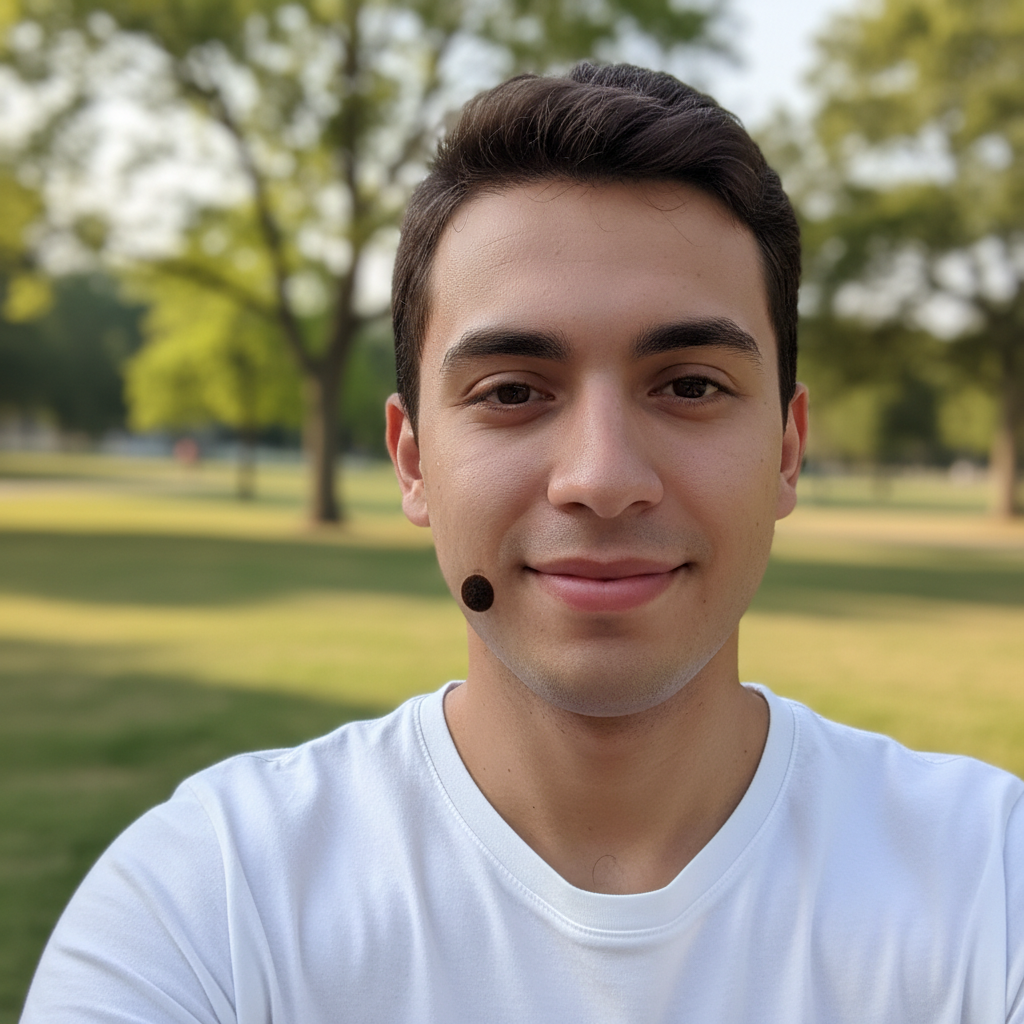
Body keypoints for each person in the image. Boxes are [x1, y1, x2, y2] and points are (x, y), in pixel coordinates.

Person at [21, 63, 1024, 1024]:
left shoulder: (988, 880)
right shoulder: (213, 901)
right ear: (411, 461)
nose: (600, 476)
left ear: (787, 449)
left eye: (688, 385)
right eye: (510, 392)